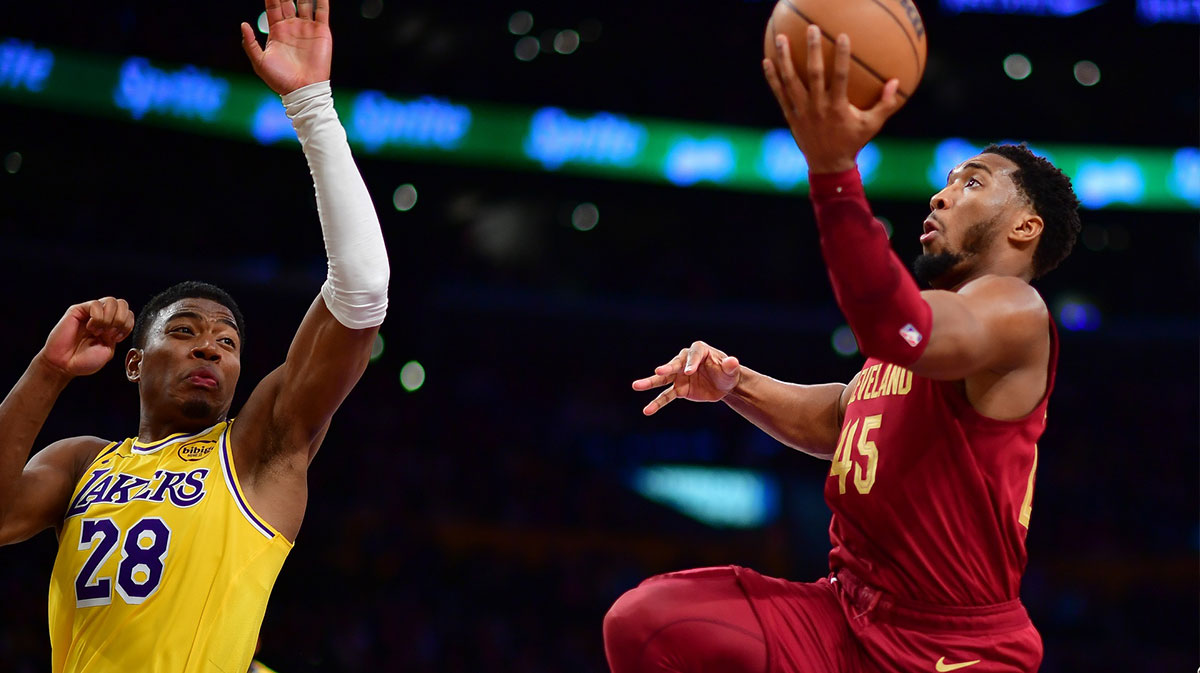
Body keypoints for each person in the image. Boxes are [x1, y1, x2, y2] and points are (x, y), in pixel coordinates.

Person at [603, 26, 1081, 673]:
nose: (940, 195)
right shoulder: (922, 335)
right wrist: (735, 383)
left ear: (1027, 226)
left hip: (952, 650)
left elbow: (897, 326)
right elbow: (845, 419)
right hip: (845, 615)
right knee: (648, 622)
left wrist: (833, 172)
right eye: (946, 182)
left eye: (972, 183)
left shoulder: (1014, 312)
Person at [0, 1, 389, 670]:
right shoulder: (81, 462)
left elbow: (361, 290)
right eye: (184, 332)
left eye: (229, 341)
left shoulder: (257, 448)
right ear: (133, 362)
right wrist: (47, 369)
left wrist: (313, 108)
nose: (211, 345)